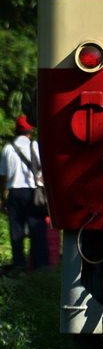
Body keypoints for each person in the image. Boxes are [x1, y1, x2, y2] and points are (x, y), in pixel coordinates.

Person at [1, 116, 49, 271]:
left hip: (14, 193)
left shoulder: (8, 149)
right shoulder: (35, 146)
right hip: (33, 193)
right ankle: (39, 265)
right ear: (31, 130)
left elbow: (2, 175)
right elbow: (44, 169)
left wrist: (3, 196)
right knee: (37, 230)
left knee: (16, 231)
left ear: (17, 130)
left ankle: (19, 266)